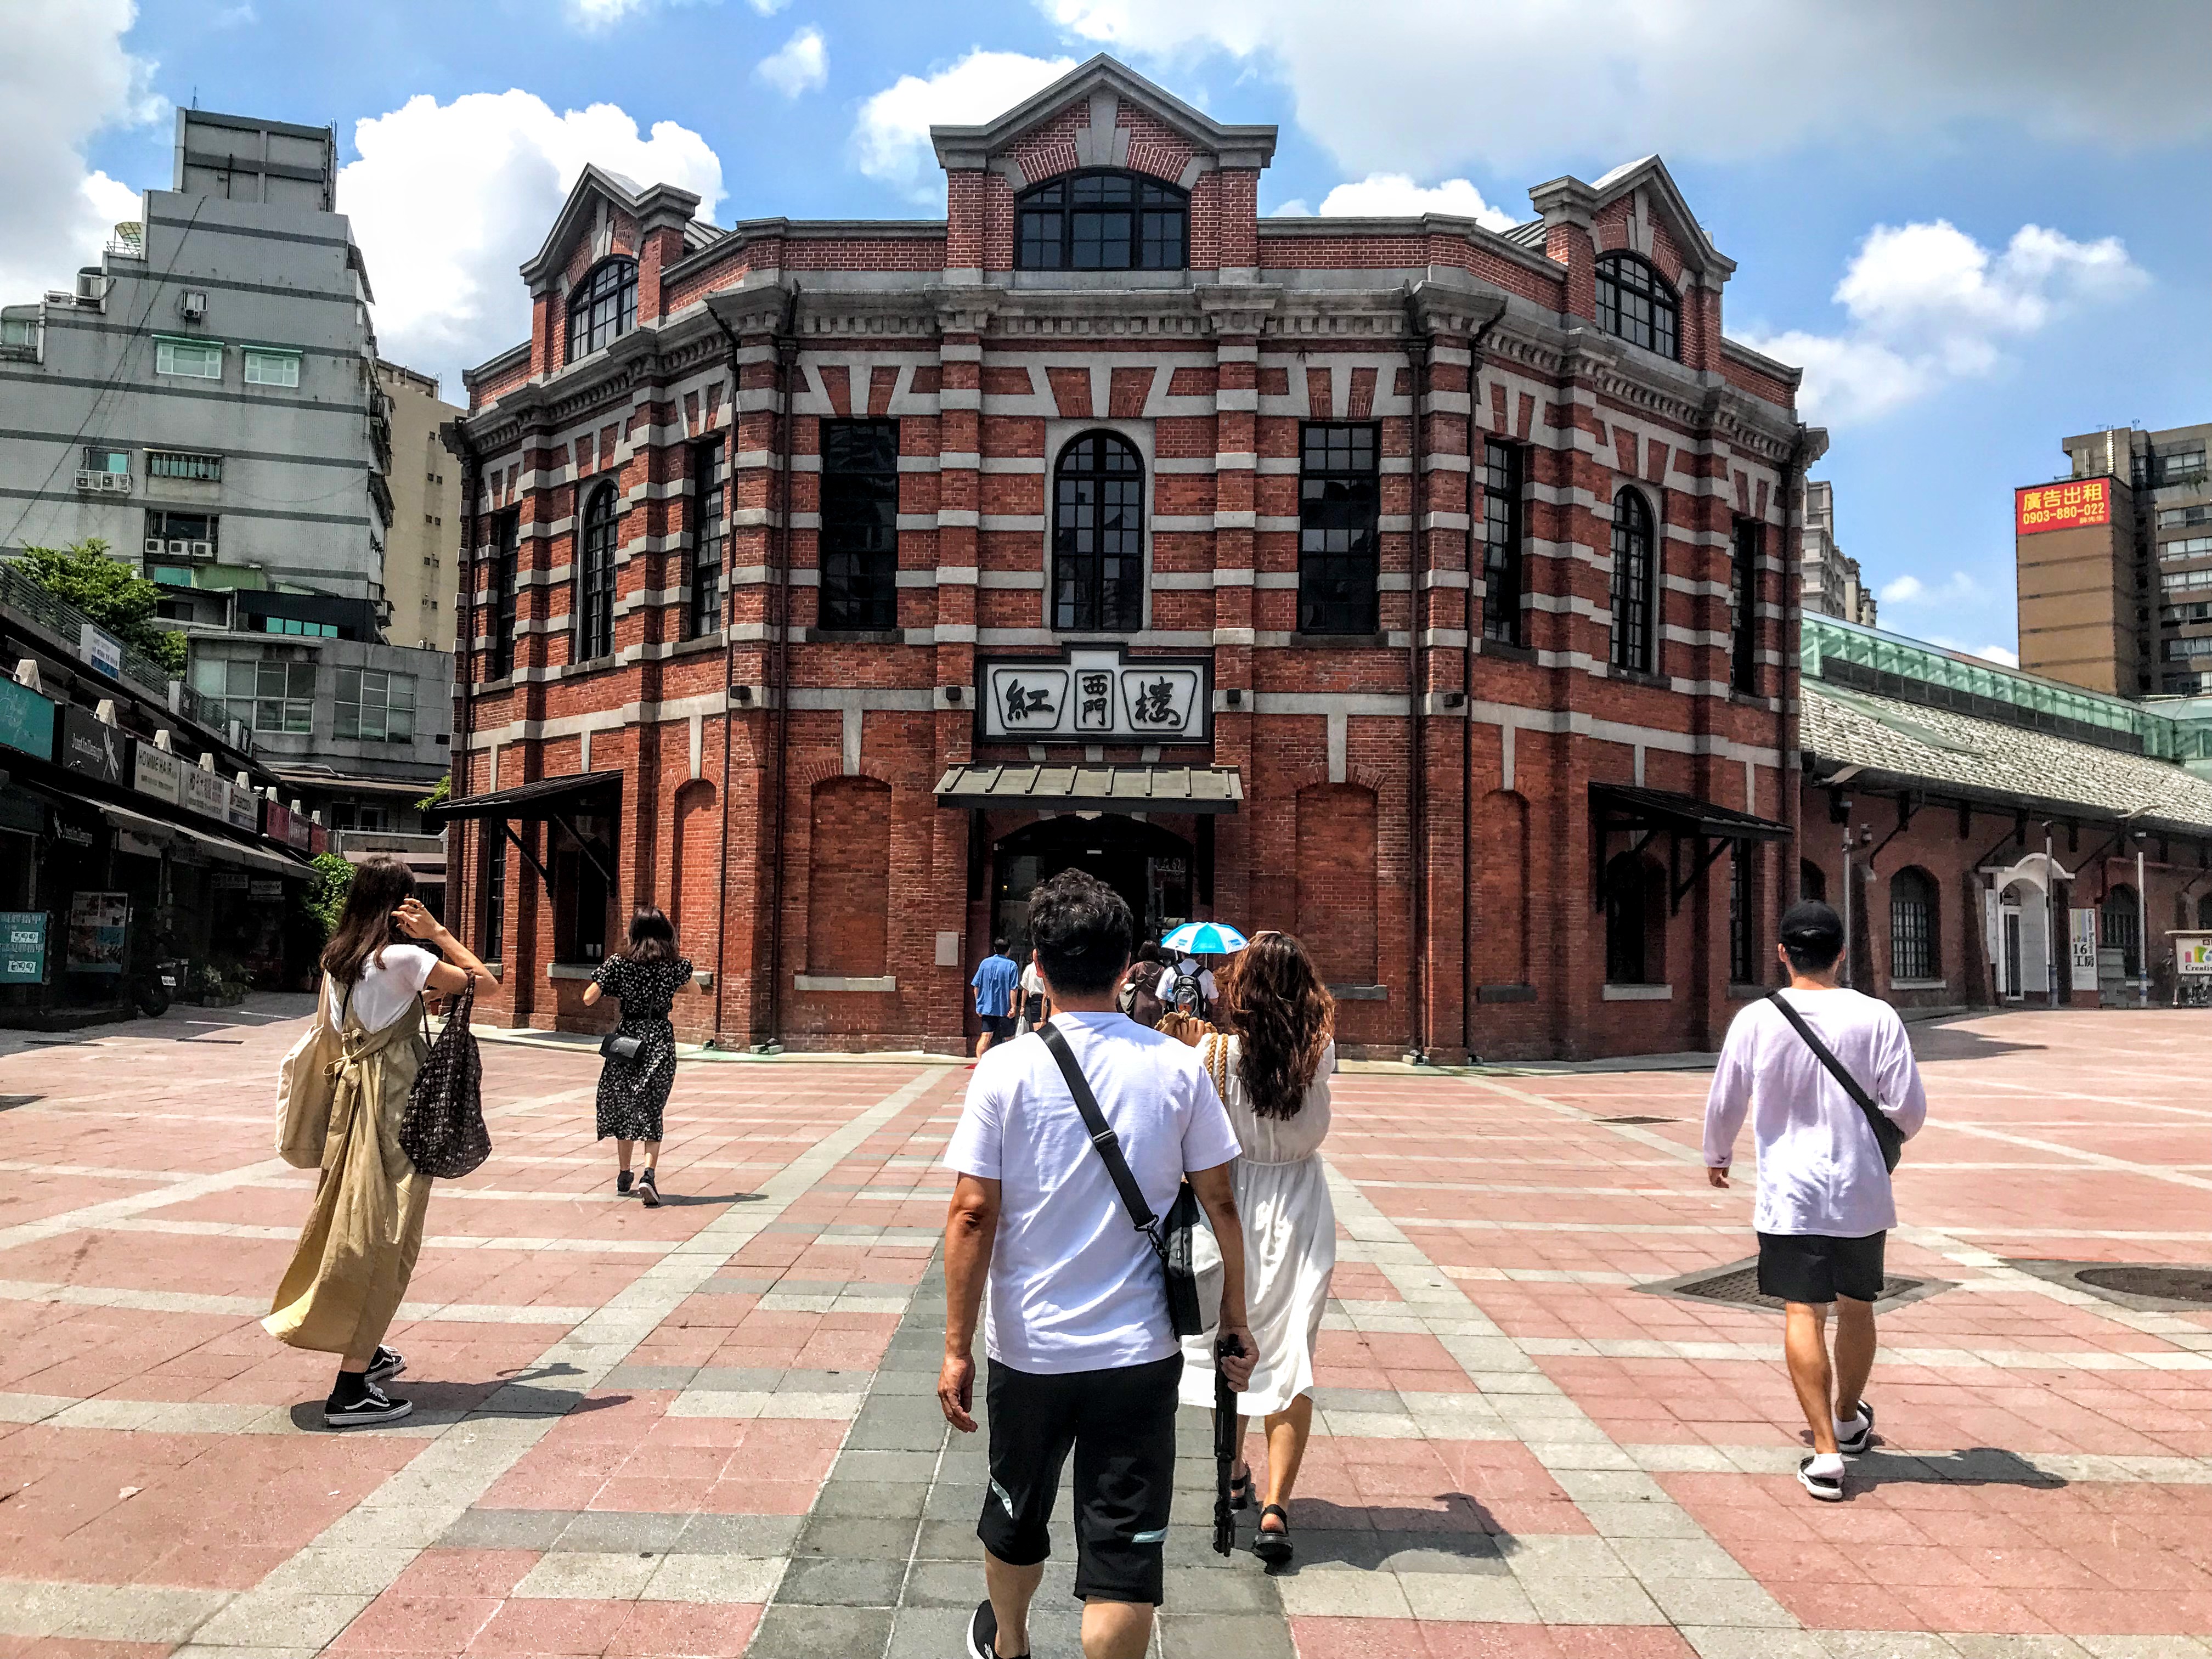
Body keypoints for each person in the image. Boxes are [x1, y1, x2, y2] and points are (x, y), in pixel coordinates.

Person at [938, 870, 1256, 1659]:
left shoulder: (1004, 1070)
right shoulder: (1177, 1068)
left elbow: (973, 1213)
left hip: (1031, 1348)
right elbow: (1221, 1205)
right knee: (1124, 1551)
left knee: (1016, 1510)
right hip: (1140, 1353)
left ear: (1036, 966)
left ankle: (1008, 1643)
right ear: (1127, 967)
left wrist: (954, 1346)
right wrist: (1235, 1324)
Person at [1702, 899, 1928, 1502]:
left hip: (1790, 1191)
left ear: (1783, 954)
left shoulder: (1758, 1018)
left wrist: (1717, 1152)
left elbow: (1728, 1095)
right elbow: (1909, 1108)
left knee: (1804, 1312)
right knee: (1859, 1306)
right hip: (1861, 1189)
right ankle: (1851, 1417)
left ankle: (1825, 1453)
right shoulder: (1877, 1017)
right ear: (1842, 954)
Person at [265, 857, 488, 1428]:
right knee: (387, 1236)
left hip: (352, 1101)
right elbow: (486, 982)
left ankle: (366, 1345)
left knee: (351, 1222)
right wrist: (437, 933)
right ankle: (350, 1385)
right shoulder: (405, 957)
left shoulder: (339, 959)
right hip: (396, 1108)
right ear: (399, 905)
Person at [1180, 932, 1336, 1564]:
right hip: (1301, 1205)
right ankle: (1276, 1506)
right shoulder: (1320, 1053)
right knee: (1293, 1350)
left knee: (1233, 1347)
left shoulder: (1212, 1055)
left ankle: (1233, 1472)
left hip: (1232, 1205)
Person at [584, 909, 695, 1206]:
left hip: (628, 1041)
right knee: (652, 1107)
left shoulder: (619, 963)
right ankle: (649, 1174)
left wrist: (612, 982)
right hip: (659, 1039)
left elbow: (588, 997)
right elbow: (696, 991)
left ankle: (624, 1173)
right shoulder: (676, 965)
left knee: (624, 1104)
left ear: (633, 931)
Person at [972, 937, 1020, 1056]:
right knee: (1009, 1039)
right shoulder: (1012, 965)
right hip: (1005, 1009)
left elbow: (976, 986)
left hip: (987, 1008)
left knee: (986, 1036)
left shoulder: (985, 963)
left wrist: (979, 1005)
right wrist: (1014, 1007)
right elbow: (1013, 988)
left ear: (994, 949)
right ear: (1008, 950)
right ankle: (1009, 1067)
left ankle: (980, 1065)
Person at [1155, 951, 1217, 1020]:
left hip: (1175, 1020)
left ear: (1182, 954)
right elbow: (1214, 1000)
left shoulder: (1170, 971)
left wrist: (1168, 1008)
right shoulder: (1207, 974)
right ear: (1200, 956)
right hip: (1197, 1021)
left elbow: (1161, 998)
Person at [1015, 952, 1052, 1034]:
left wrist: (1022, 1007)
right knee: (1050, 1029)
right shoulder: (1047, 968)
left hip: (1036, 1000)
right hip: (1049, 999)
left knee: (1038, 1029)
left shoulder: (1029, 968)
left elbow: (1025, 989)